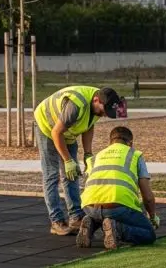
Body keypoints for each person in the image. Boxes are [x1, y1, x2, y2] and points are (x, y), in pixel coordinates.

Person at [34, 85, 125, 236]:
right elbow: (56, 132)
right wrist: (67, 160)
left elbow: (89, 126)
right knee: (52, 175)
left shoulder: (99, 102)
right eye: (103, 111)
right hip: (47, 126)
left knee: (72, 174)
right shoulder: (76, 105)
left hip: (66, 131)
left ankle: (76, 217)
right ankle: (56, 221)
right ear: (96, 100)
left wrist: (88, 153)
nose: (103, 114)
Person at [76, 126, 159, 250]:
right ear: (130, 143)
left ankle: (91, 223)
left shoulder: (96, 157)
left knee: (103, 214)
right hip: (117, 206)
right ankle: (118, 229)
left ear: (110, 142)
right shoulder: (134, 155)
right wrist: (152, 216)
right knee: (148, 234)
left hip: (89, 206)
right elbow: (147, 197)